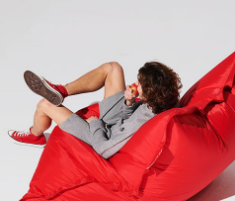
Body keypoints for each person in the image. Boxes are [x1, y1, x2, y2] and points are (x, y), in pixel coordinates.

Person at [10, 61, 181, 157]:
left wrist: (95, 123)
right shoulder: (163, 101)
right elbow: (130, 118)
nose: (135, 84)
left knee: (44, 105)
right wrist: (129, 102)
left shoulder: (140, 124)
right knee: (113, 68)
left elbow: (103, 149)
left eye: (140, 83)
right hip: (115, 121)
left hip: (100, 134)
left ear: (150, 92)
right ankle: (61, 91)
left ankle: (35, 135)